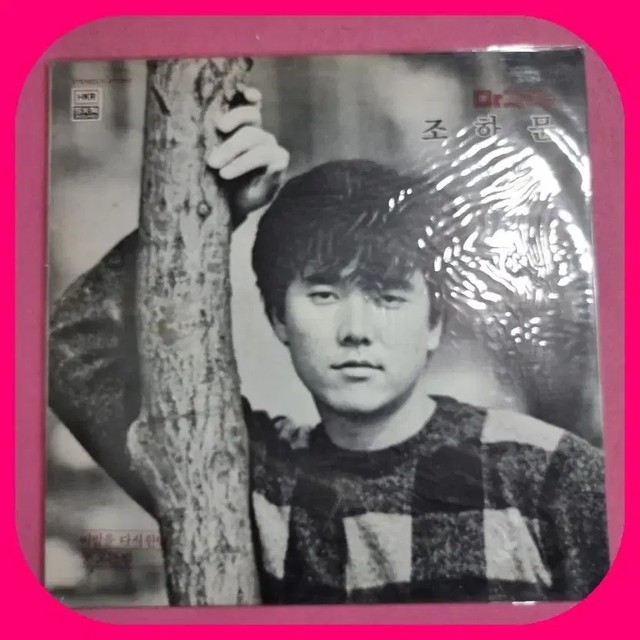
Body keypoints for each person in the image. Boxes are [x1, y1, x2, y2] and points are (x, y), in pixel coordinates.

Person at [48, 86, 610, 605]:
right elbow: (74, 349)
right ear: (278, 318)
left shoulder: (549, 474)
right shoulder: (243, 474)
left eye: (388, 297)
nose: (355, 330)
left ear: (435, 322)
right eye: (323, 295)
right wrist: (216, 208)